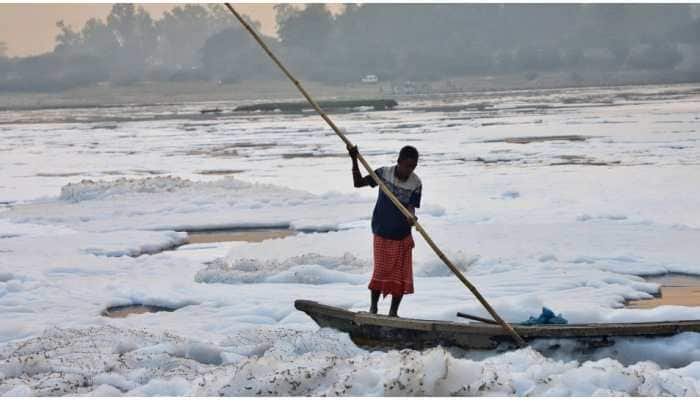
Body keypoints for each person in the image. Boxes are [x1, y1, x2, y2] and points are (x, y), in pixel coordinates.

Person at [348, 144, 421, 317]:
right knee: (380, 271)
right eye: (407, 166)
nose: (409, 170)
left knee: (401, 276)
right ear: (399, 162)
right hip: (382, 231)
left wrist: (412, 218)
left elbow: (411, 207)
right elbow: (358, 183)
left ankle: (393, 314)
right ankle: (373, 309)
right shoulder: (383, 174)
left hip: (402, 234)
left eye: (413, 166)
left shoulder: (416, 183)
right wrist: (354, 159)